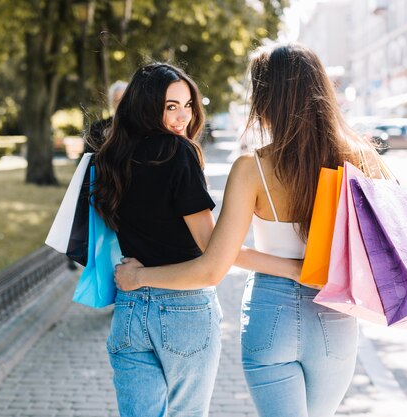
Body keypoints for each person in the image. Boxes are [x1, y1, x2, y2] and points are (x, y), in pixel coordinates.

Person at [115, 44, 381, 417]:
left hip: (269, 315)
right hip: (333, 314)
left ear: (265, 99)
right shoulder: (361, 158)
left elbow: (216, 259)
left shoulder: (252, 168)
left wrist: (140, 275)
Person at [92, 62, 301, 417]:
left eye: (188, 105)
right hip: (182, 310)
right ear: (145, 105)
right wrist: (292, 268)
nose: (182, 117)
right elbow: (213, 257)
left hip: (129, 308)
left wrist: (138, 278)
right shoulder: (178, 153)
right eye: (170, 106)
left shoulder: (112, 156)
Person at [83, 80, 128, 153]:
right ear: (112, 103)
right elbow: (89, 155)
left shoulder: (137, 126)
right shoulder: (98, 127)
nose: (120, 105)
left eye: (124, 100)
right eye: (117, 101)